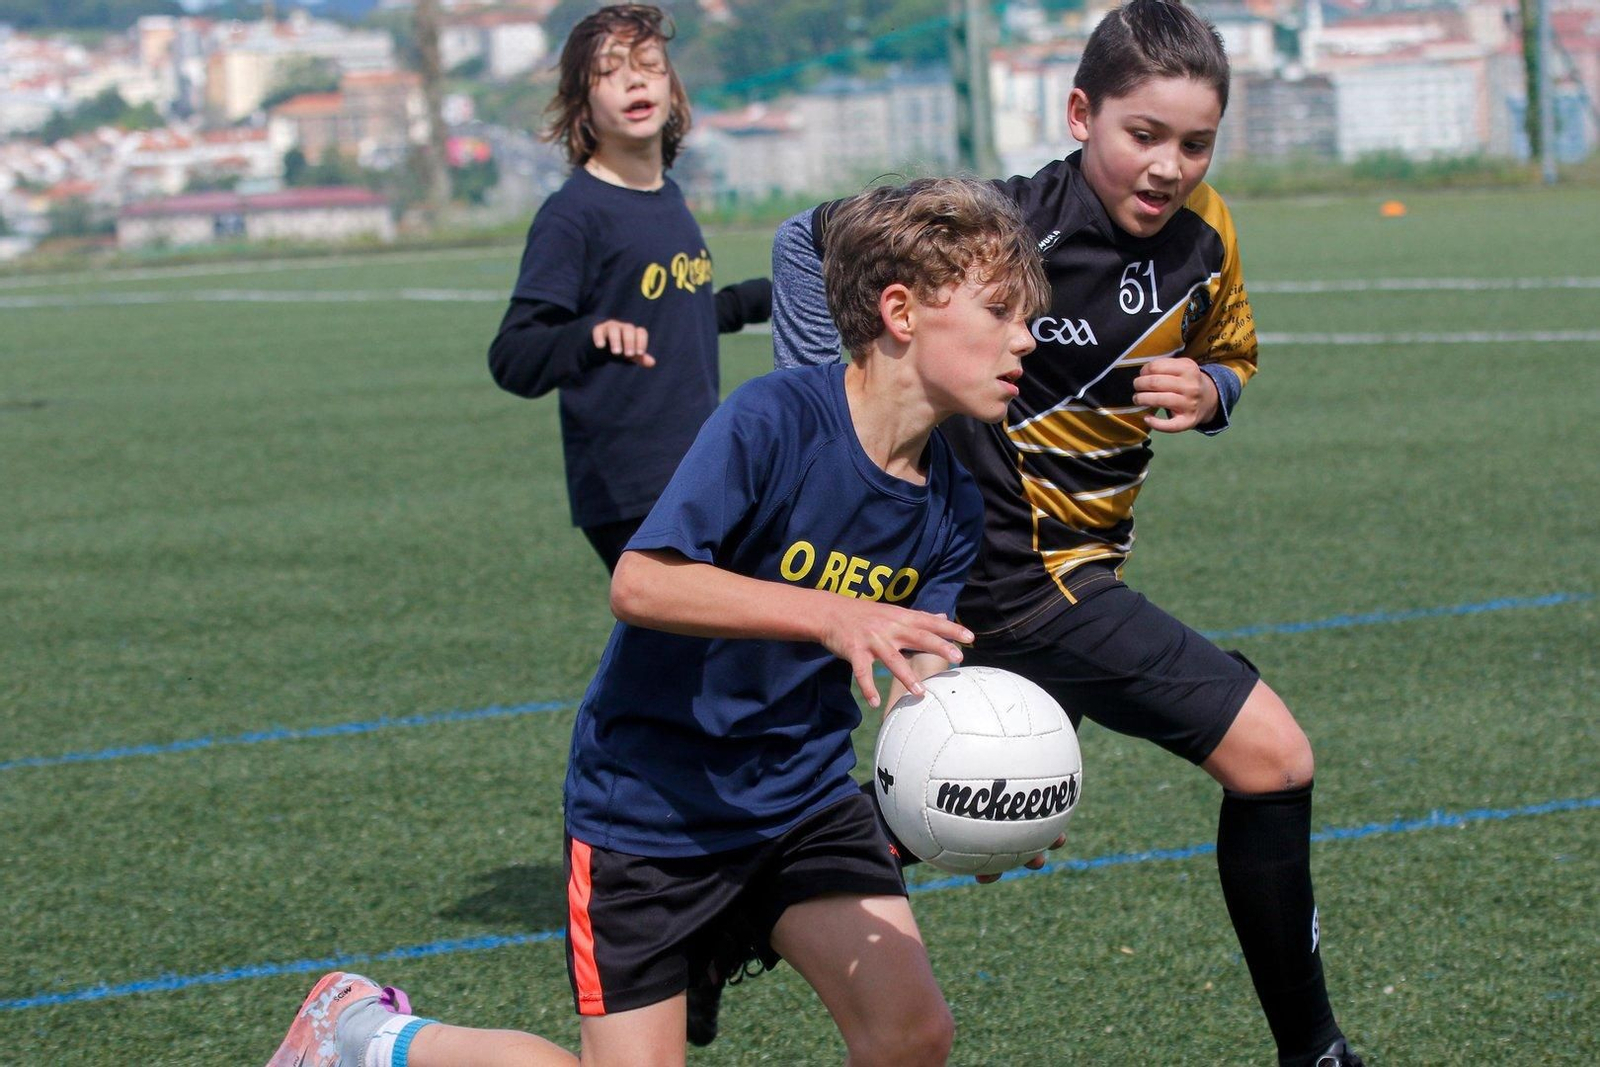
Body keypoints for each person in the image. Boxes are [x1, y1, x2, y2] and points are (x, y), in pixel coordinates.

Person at [265, 175, 1051, 1067]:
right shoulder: (776, 419)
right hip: (649, 812)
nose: (1026, 337)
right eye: (1000, 311)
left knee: (913, 1034)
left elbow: (925, 688)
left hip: (801, 801)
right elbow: (641, 582)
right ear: (901, 310)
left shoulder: (952, 502)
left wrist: (985, 795)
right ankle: (367, 1035)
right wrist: (831, 614)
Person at [766, 3, 1365, 1065]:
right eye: (1142, 134)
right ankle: (1316, 1053)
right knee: (1272, 756)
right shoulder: (1002, 226)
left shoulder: (1208, 232)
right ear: (1079, 112)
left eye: (1194, 142)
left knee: (946, 803)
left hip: (1083, 570)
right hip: (1020, 581)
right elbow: (805, 235)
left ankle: (730, 914)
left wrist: (1212, 386)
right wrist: (830, 414)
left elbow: (1233, 349)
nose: (1168, 165)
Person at [487, 3, 771, 573]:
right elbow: (513, 357)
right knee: (721, 649)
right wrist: (591, 334)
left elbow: (669, 315)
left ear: (672, 86)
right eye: (610, 71)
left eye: (648, 65)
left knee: (708, 656)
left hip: (696, 468)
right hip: (631, 488)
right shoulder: (575, 215)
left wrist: (761, 297)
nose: (634, 79)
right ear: (581, 102)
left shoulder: (665, 196)